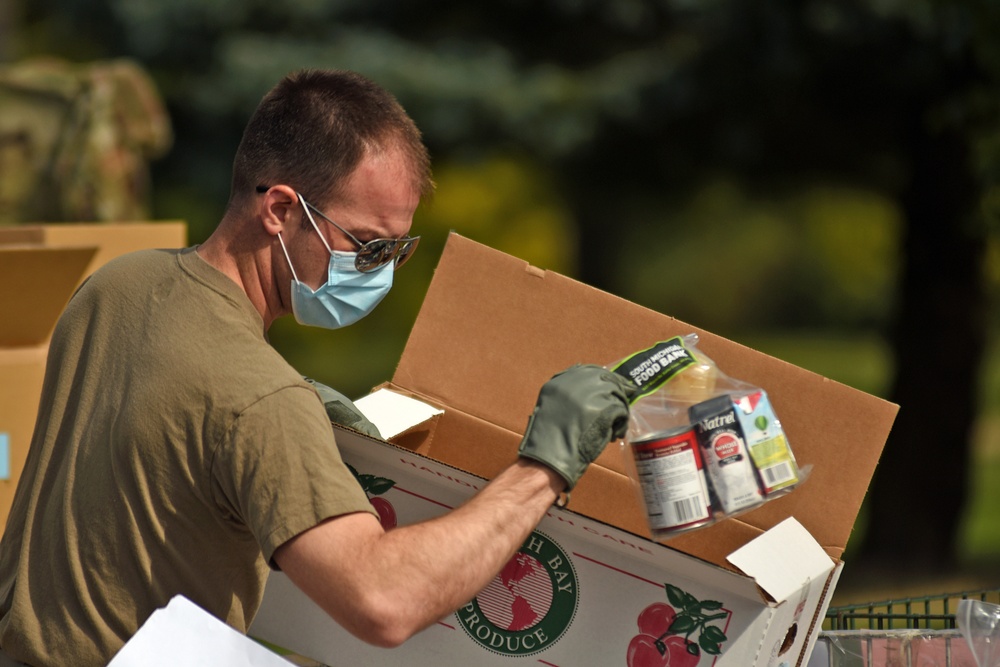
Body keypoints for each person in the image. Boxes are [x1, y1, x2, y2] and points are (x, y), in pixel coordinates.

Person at [0, 69, 635, 666]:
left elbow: (163, 431)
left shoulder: (117, 284)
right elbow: (382, 602)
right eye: (367, 244)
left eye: (398, 248)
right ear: (277, 209)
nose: (380, 271)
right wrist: (542, 469)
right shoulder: (260, 401)